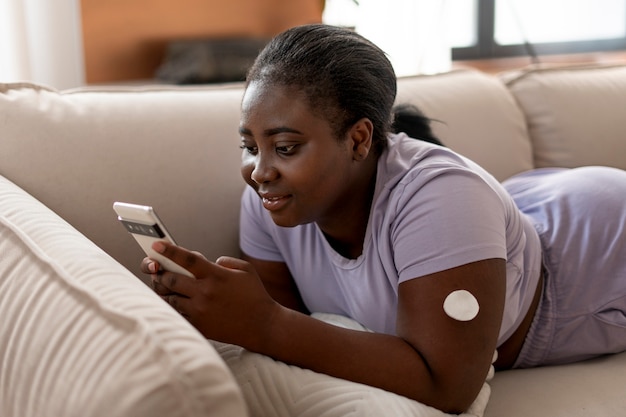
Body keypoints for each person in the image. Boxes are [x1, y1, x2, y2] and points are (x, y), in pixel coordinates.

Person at [142, 24, 626, 413]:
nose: (259, 171)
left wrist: (262, 322)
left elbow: (449, 384)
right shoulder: (269, 201)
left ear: (357, 140)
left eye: (285, 147)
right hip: (521, 209)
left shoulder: (443, 196)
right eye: (250, 147)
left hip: (599, 257)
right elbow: (297, 331)